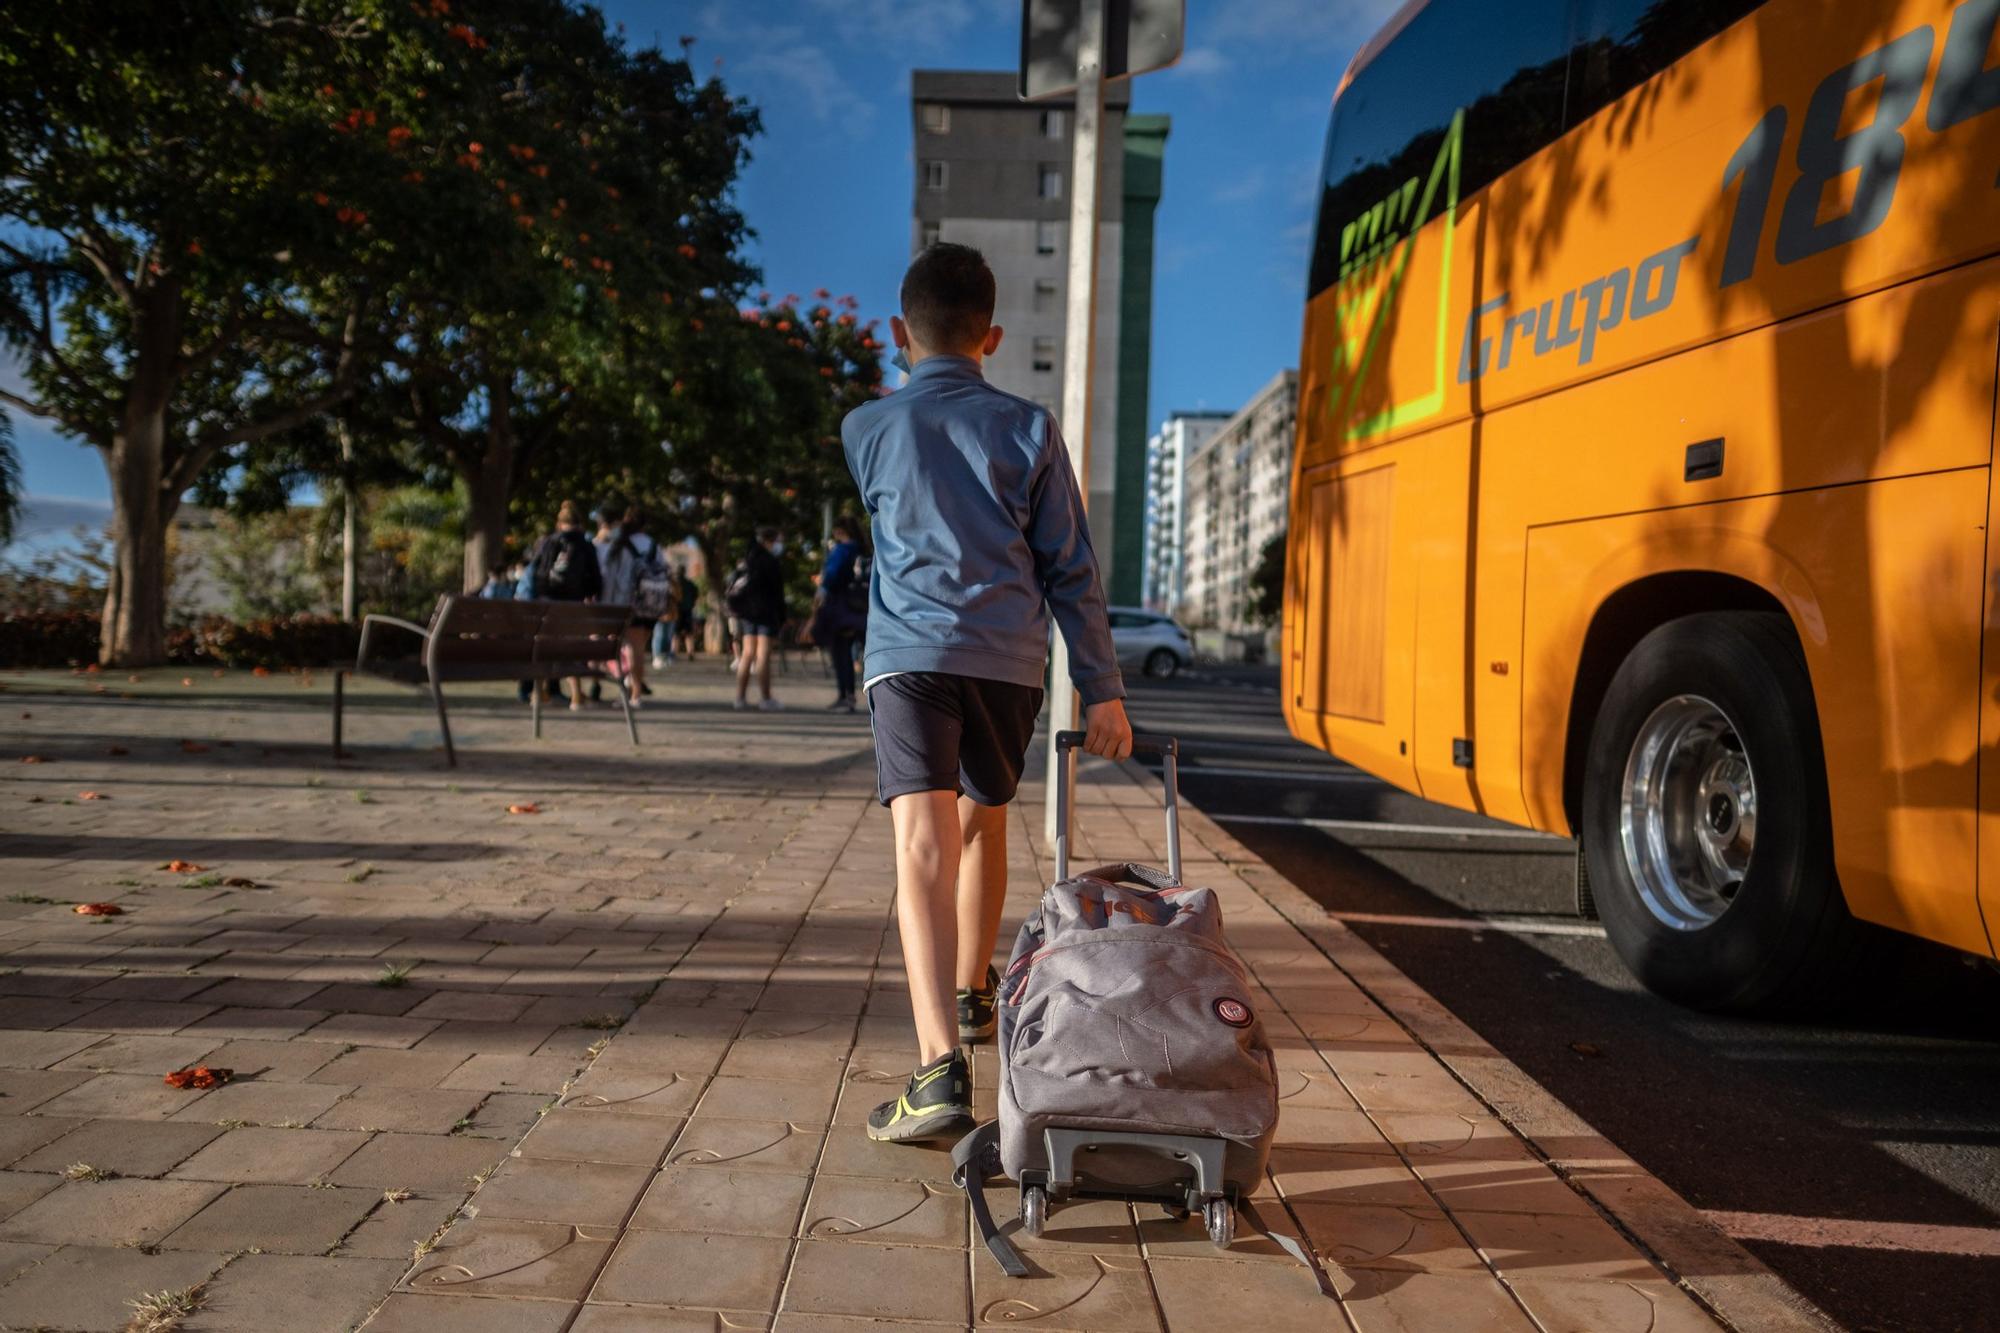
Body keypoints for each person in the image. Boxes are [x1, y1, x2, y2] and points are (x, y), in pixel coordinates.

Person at [841, 242, 1131, 1144]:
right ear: (992, 336)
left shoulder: (866, 426)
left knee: (921, 843)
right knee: (985, 821)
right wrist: (1103, 689)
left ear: (900, 332)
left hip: (910, 657)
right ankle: (972, 994)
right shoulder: (1032, 429)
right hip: (1007, 660)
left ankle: (937, 1070)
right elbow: (1070, 566)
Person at [527, 499, 602, 710]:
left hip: (547, 603)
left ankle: (538, 692)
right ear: (580, 524)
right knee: (570, 647)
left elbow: (536, 572)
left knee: (545, 645)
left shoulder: (549, 542)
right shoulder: (586, 545)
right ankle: (576, 695)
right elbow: (595, 579)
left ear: (559, 523)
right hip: (574, 603)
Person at [594, 501, 664, 707]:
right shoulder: (652, 544)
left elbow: (608, 573)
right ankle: (635, 692)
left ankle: (633, 694)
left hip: (627, 602)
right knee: (639, 648)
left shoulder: (620, 543)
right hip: (651, 603)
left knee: (630, 649)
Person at [810, 516, 868, 713]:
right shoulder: (865, 550)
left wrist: (820, 594)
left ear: (839, 531)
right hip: (862, 608)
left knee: (841, 653)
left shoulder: (841, 550)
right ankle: (851, 696)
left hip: (841, 608)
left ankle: (845, 695)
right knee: (854, 652)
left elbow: (831, 578)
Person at [725, 527, 786, 711]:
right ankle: (766, 698)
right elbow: (777, 592)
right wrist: (782, 615)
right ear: (770, 540)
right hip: (765, 612)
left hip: (747, 613)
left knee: (746, 654)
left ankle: (740, 697)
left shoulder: (748, 559)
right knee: (763, 656)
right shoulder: (770, 561)